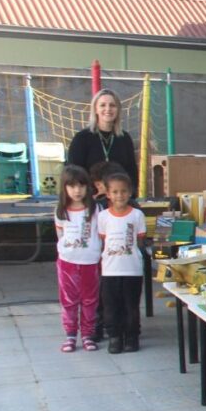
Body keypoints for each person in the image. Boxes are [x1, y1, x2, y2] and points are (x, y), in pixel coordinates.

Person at [96, 172, 146, 354]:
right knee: (111, 306)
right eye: (115, 192)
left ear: (130, 192)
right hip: (110, 270)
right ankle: (115, 337)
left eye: (123, 191)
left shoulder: (137, 215)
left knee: (131, 306)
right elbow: (103, 241)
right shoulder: (102, 217)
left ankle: (132, 337)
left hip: (132, 269)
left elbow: (140, 240)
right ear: (108, 194)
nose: (120, 195)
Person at [54, 166, 101, 352]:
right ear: (64, 188)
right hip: (67, 262)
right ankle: (71, 335)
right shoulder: (60, 211)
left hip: (90, 261)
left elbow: (100, 232)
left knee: (90, 300)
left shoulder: (95, 208)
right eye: (72, 186)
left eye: (81, 185)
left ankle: (88, 334)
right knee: (68, 300)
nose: (77, 190)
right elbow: (60, 235)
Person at [68, 89, 137, 196]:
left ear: (118, 109)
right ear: (95, 109)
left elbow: (132, 172)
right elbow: (75, 172)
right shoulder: (82, 138)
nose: (108, 109)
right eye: (103, 105)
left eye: (112, 105)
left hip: (118, 199)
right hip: (91, 198)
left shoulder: (124, 138)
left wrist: (130, 195)